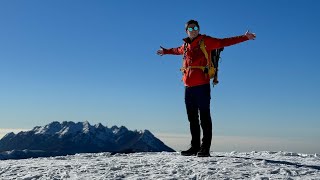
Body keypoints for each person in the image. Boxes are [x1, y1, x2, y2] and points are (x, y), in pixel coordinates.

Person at [156, 19, 256, 157]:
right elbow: (176, 50)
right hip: (188, 87)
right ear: (186, 31)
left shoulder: (206, 41)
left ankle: (205, 148)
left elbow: (223, 42)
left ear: (199, 28)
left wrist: (245, 37)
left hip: (202, 85)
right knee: (192, 118)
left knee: (204, 117)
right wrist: (165, 51)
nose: (193, 30)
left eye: (195, 27)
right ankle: (195, 146)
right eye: (190, 28)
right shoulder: (185, 45)